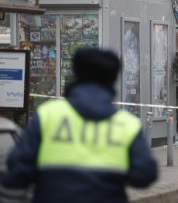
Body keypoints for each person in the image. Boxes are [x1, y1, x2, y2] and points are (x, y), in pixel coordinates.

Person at [0, 48, 158, 203]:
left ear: (76, 74)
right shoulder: (126, 124)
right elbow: (145, 175)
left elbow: (17, 171)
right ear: (113, 78)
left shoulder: (48, 115)